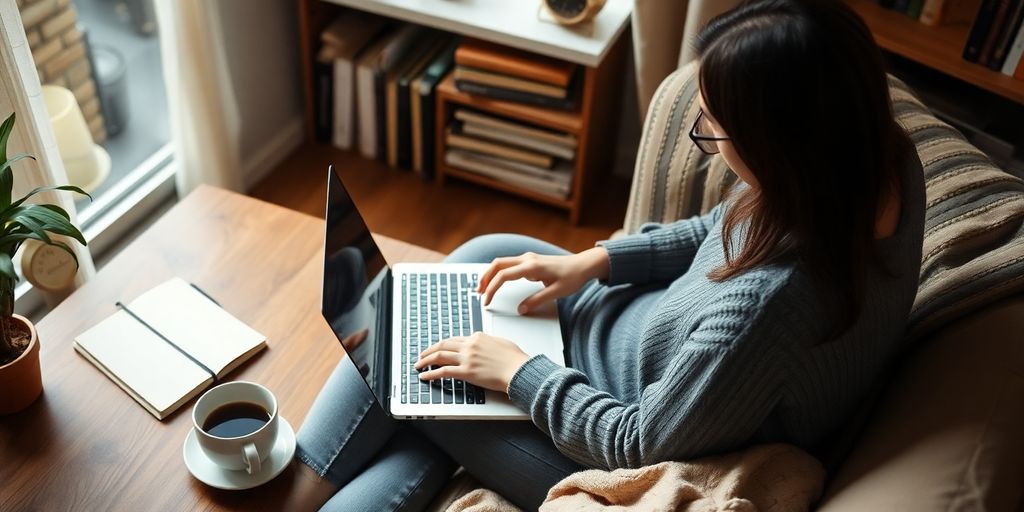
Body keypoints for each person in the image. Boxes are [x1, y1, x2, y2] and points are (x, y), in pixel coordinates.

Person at [283, 0, 925, 509]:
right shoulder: (874, 164)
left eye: (712, 129)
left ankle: (295, 493)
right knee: (487, 255)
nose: (704, 137)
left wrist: (518, 373)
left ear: (783, 146)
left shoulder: (770, 310)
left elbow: (639, 443)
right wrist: (596, 262)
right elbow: (719, 228)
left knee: (402, 357)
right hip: (638, 343)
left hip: (606, 441)